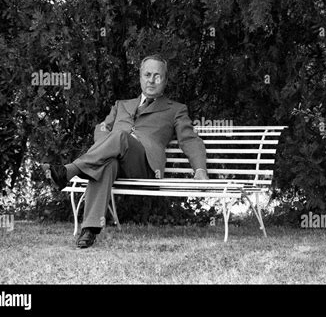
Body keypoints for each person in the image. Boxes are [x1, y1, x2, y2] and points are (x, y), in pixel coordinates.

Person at [42, 54, 208, 249]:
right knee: (107, 163)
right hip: (116, 160)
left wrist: (199, 169)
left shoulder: (176, 109)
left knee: (120, 136)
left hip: (145, 166)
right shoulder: (121, 105)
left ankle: (69, 171)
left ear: (165, 80)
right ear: (139, 77)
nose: (151, 80)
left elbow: (189, 139)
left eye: (157, 76)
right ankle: (90, 229)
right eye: (147, 74)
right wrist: (107, 146)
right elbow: (102, 128)